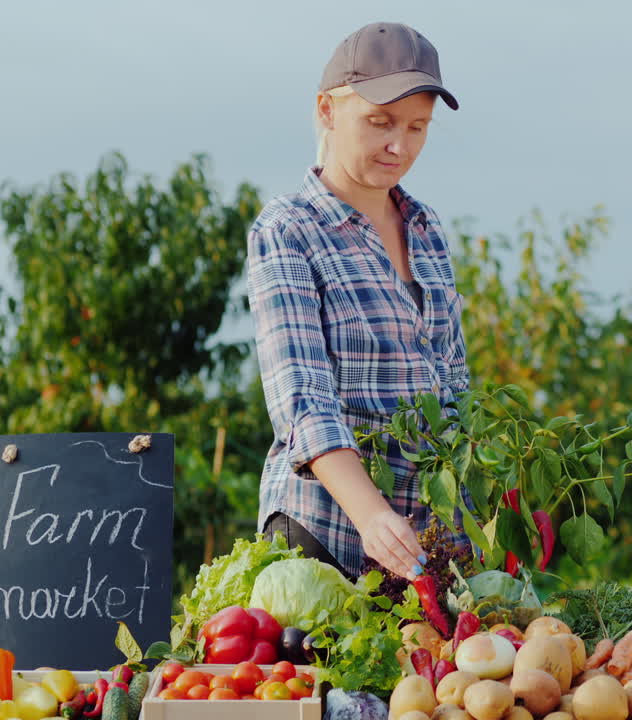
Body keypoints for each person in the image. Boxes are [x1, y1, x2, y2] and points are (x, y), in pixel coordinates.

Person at [247, 21, 470, 582]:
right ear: (326, 109)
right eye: (381, 122)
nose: (400, 145)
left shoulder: (426, 228)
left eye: (419, 127)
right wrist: (372, 515)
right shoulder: (289, 228)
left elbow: (454, 384)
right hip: (326, 535)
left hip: (425, 546)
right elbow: (303, 401)